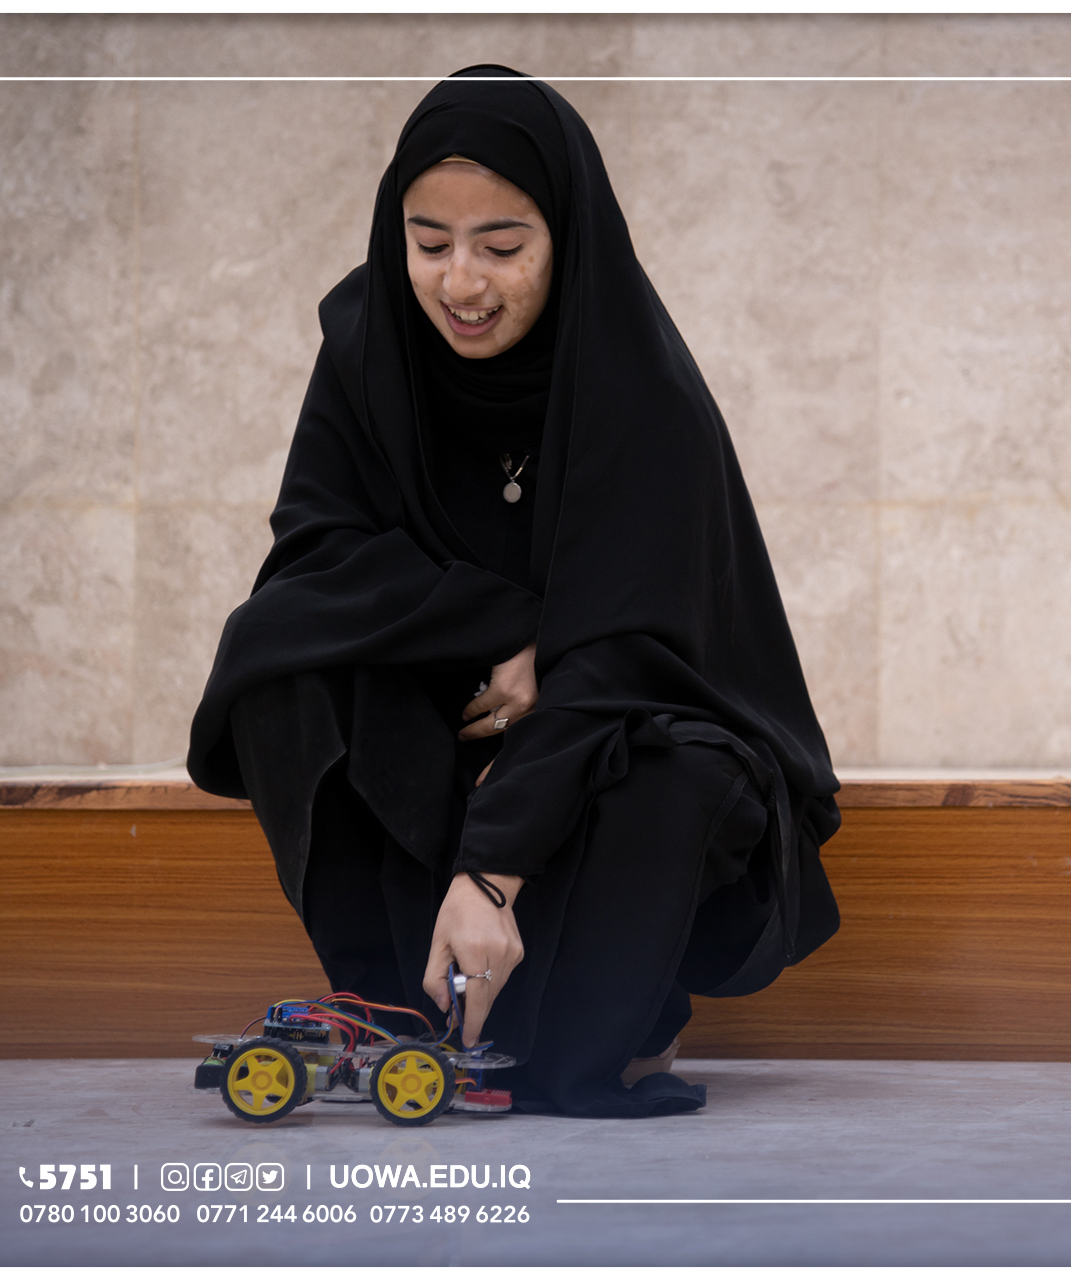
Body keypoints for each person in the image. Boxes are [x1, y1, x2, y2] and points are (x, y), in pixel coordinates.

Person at [186, 66, 841, 1118]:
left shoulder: (643, 394)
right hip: (460, 709)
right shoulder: (368, 353)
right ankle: (398, 1005)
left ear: (564, 239)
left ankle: (611, 1025)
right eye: (429, 242)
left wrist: (493, 866)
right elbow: (315, 557)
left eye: (501, 247)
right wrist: (520, 626)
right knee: (279, 656)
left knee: (680, 765)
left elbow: (636, 650)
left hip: (613, 726)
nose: (461, 282)